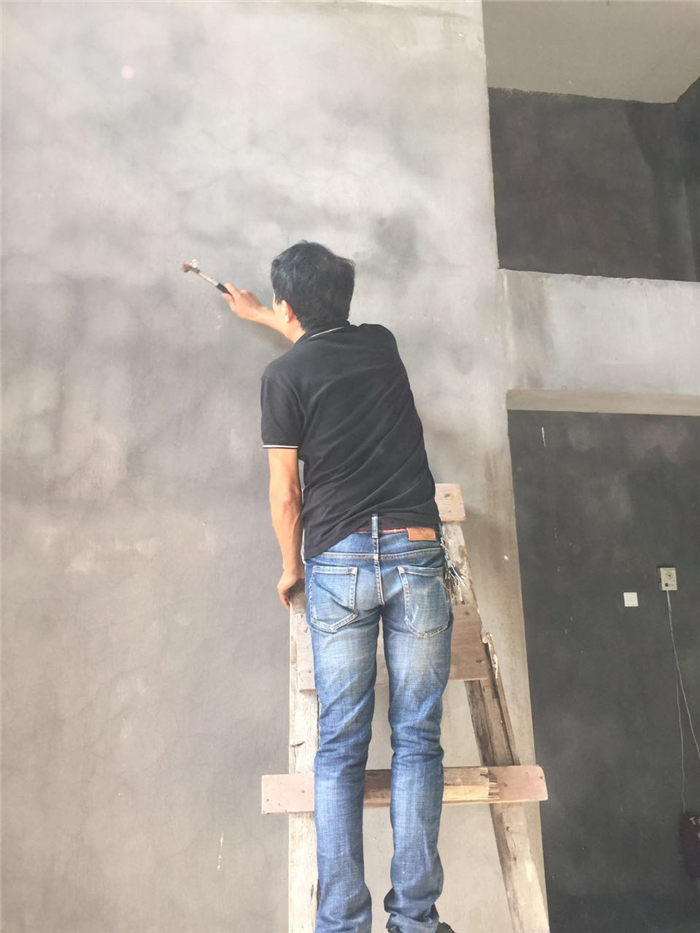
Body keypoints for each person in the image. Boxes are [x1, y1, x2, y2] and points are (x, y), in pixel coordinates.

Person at [223, 242, 456, 933]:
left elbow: (285, 493)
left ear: (288, 305)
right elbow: (320, 338)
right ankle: (415, 920)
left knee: (340, 748)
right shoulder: (382, 345)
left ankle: (342, 923)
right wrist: (266, 314)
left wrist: (289, 566)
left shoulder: (282, 378)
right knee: (418, 739)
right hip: (415, 553)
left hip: (339, 561)